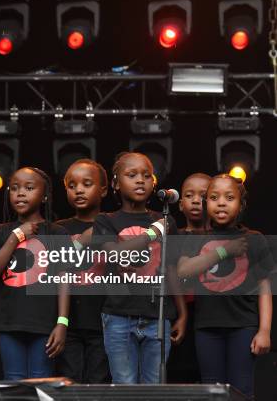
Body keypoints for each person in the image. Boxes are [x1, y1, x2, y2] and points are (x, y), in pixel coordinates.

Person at [92, 152, 187, 384]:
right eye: (131, 174)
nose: (140, 180)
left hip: (157, 316)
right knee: (125, 385)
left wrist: (182, 313)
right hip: (118, 316)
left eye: (147, 175)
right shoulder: (105, 220)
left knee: (154, 386)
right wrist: (154, 233)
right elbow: (114, 253)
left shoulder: (166, 220)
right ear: (115, 183)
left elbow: (171, 268)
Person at [177, 174, 272, 397]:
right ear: (205, 203)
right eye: (214, 197)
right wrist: (224, 251)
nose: (221, 203)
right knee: (212, 391)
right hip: (207, 327)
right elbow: (183, 271)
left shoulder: (254, 239)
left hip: (244, 326)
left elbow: (265, 287)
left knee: (242, 388)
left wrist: (265, 331)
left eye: (229, 198)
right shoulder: (196, 239)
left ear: (241, 205)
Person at [0, 167, 69, 380]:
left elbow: (64, 279)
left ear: (45, 195)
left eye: (29, 188)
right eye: (14, 188)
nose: (20, 193)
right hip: (8, 323)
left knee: (41, 381)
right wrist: (16, 237)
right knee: (14, 382)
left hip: (44, 324)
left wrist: (62, 322)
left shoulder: (57, 233)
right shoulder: (1, 232)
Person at [55, 159, 110, 383]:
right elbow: (57, 269)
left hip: (105, 321)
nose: (79, 190)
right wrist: (82, 242)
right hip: (69, 324)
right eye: (72, 185)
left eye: (87, 184)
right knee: (69, 382)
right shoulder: (59, 229)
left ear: (104, 190)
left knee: (99, 384)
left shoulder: (112, 225)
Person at [167, 173, 211, 383]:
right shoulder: (173, 237)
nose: (196, 200)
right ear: (180, 203)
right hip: (178, 313)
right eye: (189, 195)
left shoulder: (222, 238)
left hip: (210, 314)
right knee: (180, 373)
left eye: (203, 195)